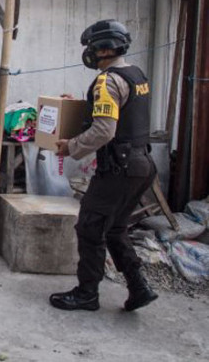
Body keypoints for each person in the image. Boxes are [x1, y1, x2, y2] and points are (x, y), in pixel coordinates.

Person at [50, 19, 158, 312]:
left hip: (118, 169)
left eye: (91, 48)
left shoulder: (106, 81)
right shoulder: (136, 74)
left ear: (104, 48)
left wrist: (70, 147)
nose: (89, 53)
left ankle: (87, 293)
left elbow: (104, 130)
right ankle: (139, 287)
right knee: (116, 229)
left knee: (89, 227)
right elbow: (118, 116)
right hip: (142, 165)